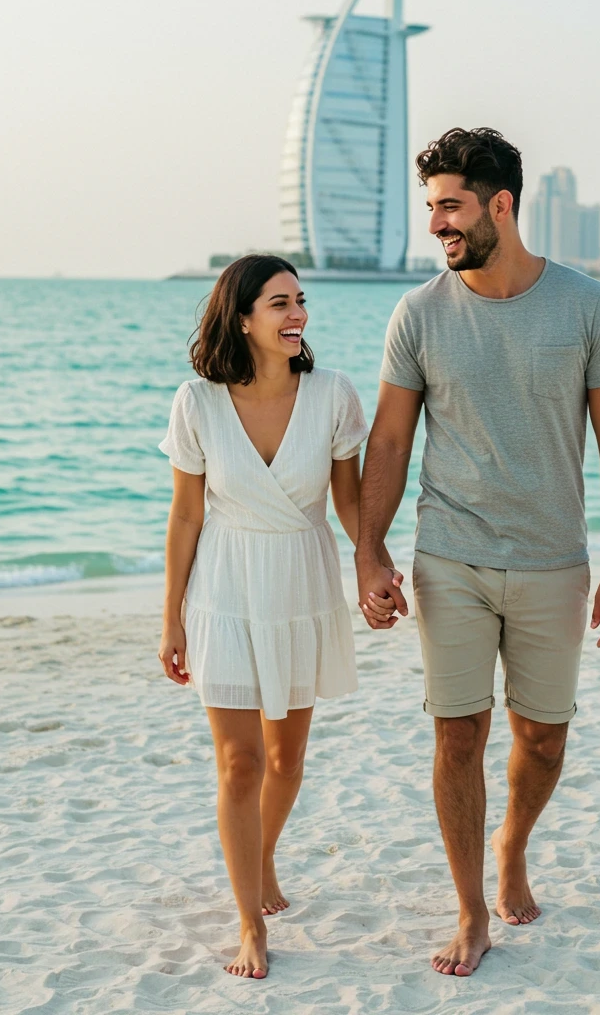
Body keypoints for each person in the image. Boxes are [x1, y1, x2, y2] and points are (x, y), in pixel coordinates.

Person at [356, 128, 600, 978]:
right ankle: (471, 908)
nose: (437, 223)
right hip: (451, 553)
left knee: (543, 737)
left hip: (555, 557)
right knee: (458, 732)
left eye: (451, 206)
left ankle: (512, 844)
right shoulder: (417, 315)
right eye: (432, 207)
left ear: (502, 206)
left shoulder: (587, 306)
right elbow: (391, 440)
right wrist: (369, 552)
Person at [157, 254, 400, 981]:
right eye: (279, 304)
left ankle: (259, 858)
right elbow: (186, 515)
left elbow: (351, 503)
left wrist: (375, 565)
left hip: (301, 580)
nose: (296, 315)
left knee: (286, 760)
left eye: (300, 301)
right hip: (225, 588)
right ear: (242, 318)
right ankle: (247, 925)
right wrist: (169, 619)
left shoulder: (332, 396)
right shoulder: (196, 403)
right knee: (239, 763)